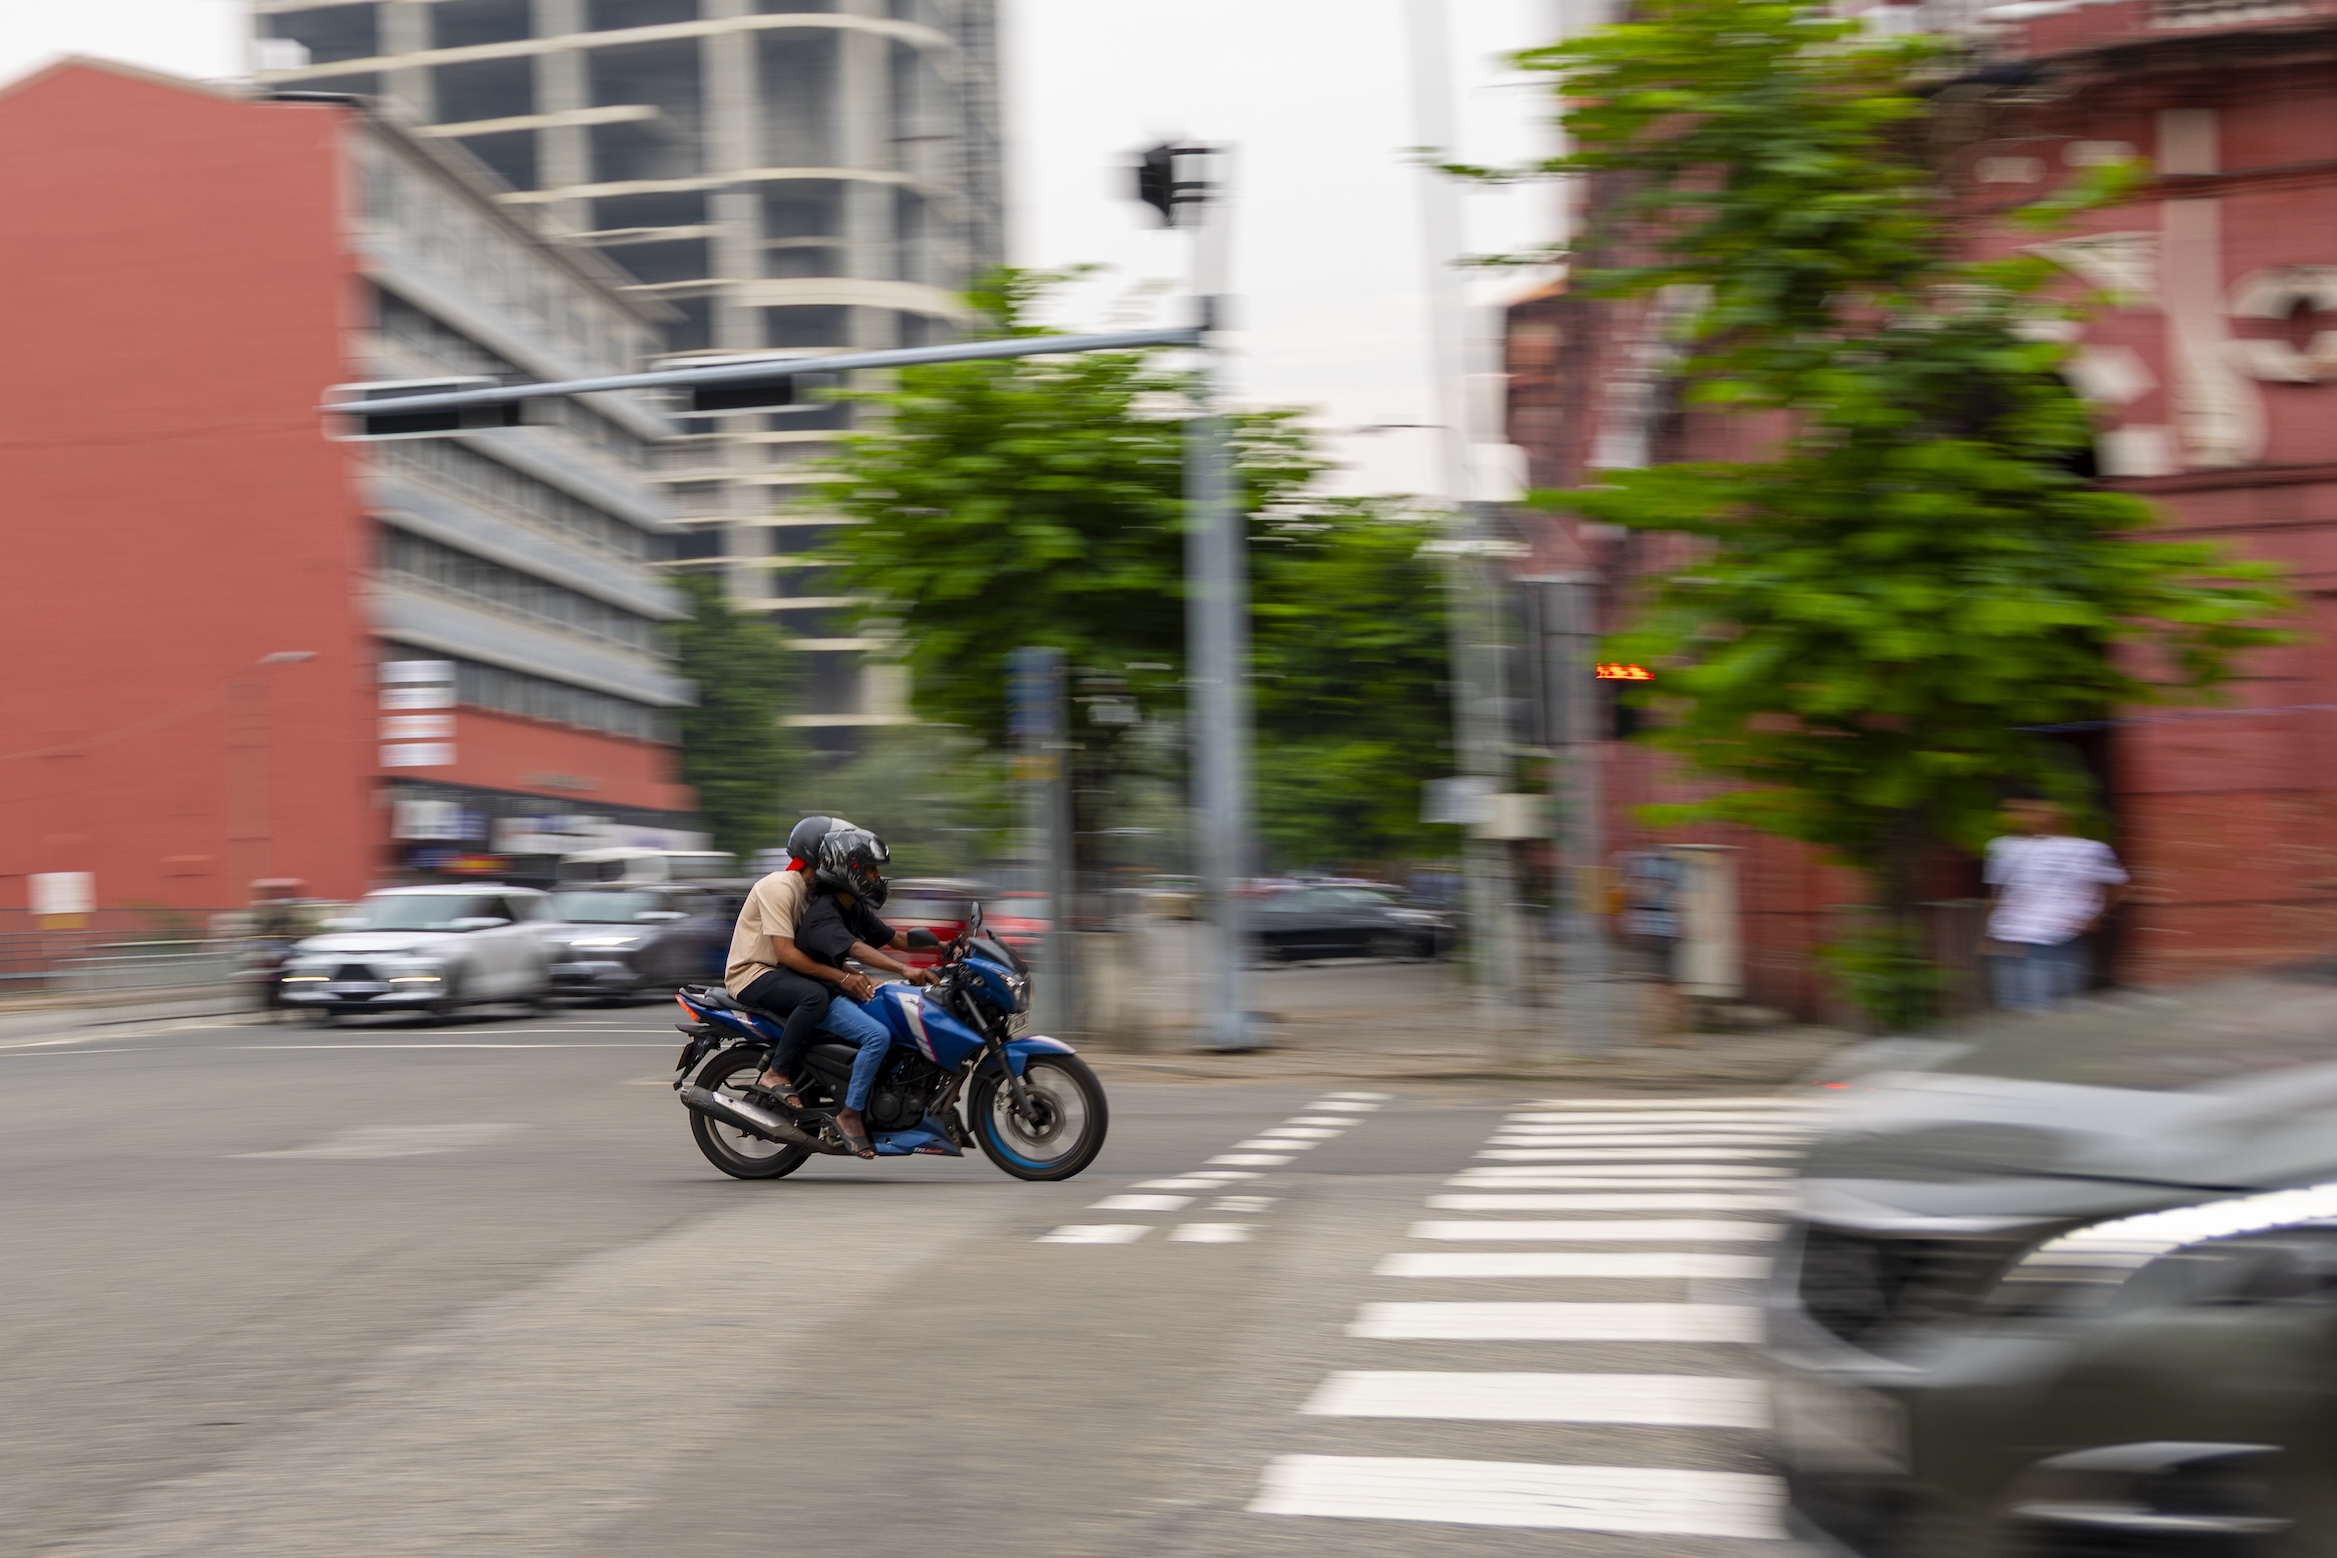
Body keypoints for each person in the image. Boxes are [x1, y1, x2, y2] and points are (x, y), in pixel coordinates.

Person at [1981, 793, 2128, 1014]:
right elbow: (1996, 894)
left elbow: (2118, 886)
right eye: (2011, 810)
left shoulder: (2086, 849)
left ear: (2049, 812)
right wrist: (1986, 934)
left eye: (2024, 810)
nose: (2015, 817)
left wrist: (2096, 916)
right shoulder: (2002, 848)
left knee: (2052, 1015)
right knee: (2013, 1013)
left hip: (2055, 940)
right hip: (2009, 938)